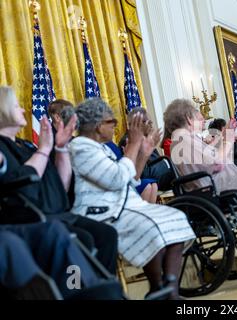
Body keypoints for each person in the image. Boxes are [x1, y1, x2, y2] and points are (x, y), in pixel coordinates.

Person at [69, 98, 195, 300]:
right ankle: (158, 288)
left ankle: (168, 289)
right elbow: (116, 178)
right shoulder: (80, 147)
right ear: (99, 125)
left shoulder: (102, 147)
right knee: (151, 225)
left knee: (176, 217)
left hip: (124, 205)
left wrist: (143, 153)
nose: (116, 126)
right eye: (113, 122)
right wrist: (134, 143)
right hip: (101, 212)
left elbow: (132, 180)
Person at [0, 86, 118, 275]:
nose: (22, 109)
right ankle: (78, 290)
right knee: (85, 239)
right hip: (30, 219)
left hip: (57, 213)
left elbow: (60, 186)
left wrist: (61, 149)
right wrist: (44, 150)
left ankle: (102, 288)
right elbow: (23, 182)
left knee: (107, 235)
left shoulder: (27, 146)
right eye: (15, 106)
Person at [165, 99, 237, 272]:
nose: (202, 119)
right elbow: (217, 163)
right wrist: (227, 140)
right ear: (189, 119)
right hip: (219, 197)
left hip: (220, 193)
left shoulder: (186, 139)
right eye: (197, 114)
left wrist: (223, 139)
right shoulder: (184, 140)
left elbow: (213, 158)